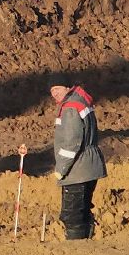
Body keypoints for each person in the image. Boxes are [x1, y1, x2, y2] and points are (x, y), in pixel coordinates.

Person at [45, 83, 105, 239]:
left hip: (77, 170)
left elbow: (72, 143)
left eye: (57, 89)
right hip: (90, 166)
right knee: (83, 211)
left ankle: (76, 250)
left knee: (72, 217)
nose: (54, 93)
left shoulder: (70, 108)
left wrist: (61, 169)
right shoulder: (81, 102)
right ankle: (87, 242)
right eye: (51, 91)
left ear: (67, 88)